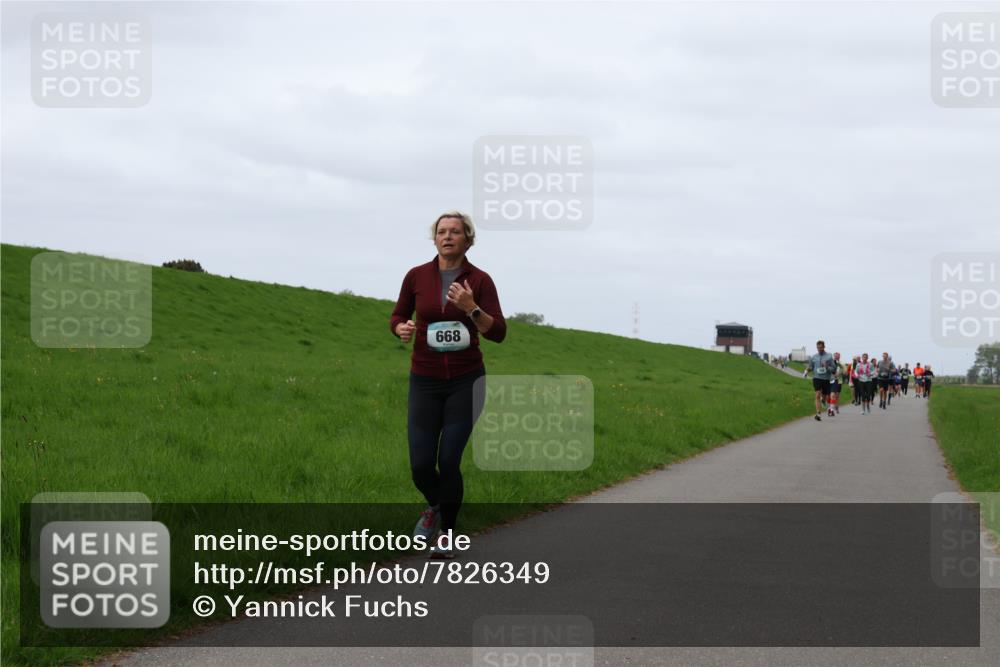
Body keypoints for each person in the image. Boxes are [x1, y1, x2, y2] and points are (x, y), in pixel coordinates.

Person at [389, 211, 507, 558]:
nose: (448, 236)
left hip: (466, 382)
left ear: (468, 240)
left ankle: (448, 534)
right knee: (421, 466)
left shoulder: (480, 280)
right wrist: (400, 328)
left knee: (449, 460)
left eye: (455, 231)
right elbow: (398, 315)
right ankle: (436, 507)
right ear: (435, 238)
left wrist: (471, 308)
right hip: (424, 381)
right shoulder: (416, 276)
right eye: (442, 231)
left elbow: (498, 333)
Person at [803, 340, 837, 421]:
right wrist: (806, 371)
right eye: (818, 348)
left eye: (821, 347)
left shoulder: (829, 356)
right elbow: (811, 367)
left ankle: (823, 400)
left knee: (825, 396)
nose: (819, 349)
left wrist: (827, 366)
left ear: (824, 347)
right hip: (817, 378)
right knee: (817, 394)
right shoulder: (814, 357)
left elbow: (834, 369)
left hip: (826, 379)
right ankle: (818, 414)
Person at [827, 352, 845, 416]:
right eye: (835, 356)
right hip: (829, 380)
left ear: (839, 356)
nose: (836, 357)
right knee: (829, 396)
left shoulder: (840, 363)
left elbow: (844, 370)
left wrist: (839, 373)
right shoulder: (829, 362)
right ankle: (830, 408)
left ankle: (834, 408)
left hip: (838, 380)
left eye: (837, 356)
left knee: (835, 395)